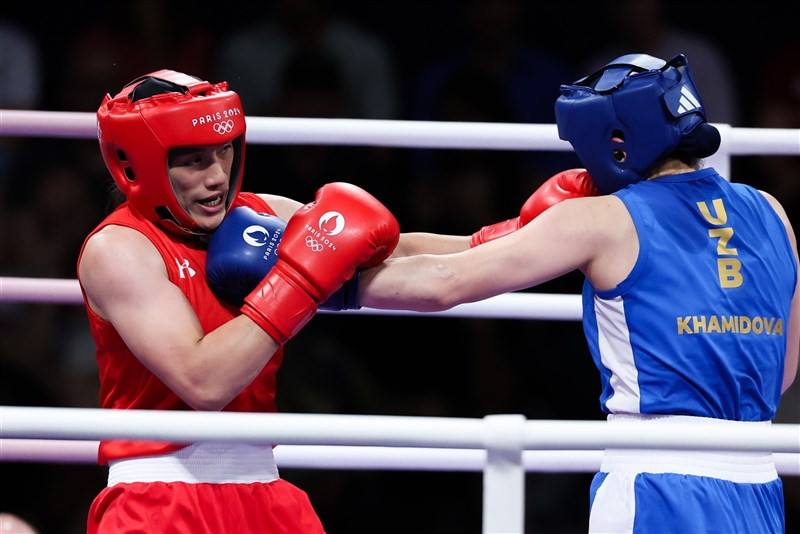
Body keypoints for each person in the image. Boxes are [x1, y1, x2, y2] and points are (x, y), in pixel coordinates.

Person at [77, 68, 598, 533]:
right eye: (192, 161)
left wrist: (525, 232)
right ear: (137, 165)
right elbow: (203, 380)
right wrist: (301, 279)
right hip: (160, 500)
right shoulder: (119, 250)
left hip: (263, 488)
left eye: (224, 151)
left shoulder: (255, 214)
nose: (216, 176)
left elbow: (400, 251)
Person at [358, 53, 799, 533]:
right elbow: (783, 372)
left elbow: (444, 282)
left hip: (654, 486)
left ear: (614, 141)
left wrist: (313, 282)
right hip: (758, 486)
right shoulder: (773, 212)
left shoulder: (603, 219)